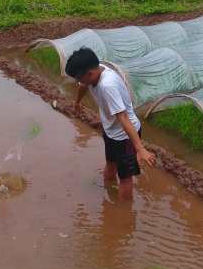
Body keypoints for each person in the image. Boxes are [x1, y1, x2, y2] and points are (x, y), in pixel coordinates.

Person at [65, 47, 156, 200]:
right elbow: (83, 86)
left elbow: (124, 118)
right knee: (110, 164)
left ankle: (122, 215)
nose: (78, 82)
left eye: (79, 78)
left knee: (125, 179)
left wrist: (140, 149)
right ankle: (108, 197)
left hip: (125, 136)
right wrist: (77, 103)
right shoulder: (96, 70)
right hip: (110, 131)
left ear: (90, 74)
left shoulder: (108, 86)